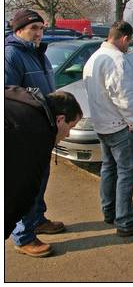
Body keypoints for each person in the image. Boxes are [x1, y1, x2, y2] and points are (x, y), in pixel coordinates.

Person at [5, 9, 66, 255]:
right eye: (34, 29)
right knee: (28, 183)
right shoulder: (12, 54)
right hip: (26, 133)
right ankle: (23, 236)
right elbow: (8, 94)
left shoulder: (38, 53)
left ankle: (37, 220)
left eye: (41, 28)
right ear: (19, 30)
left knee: (41, 180)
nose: (39, 33)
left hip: (44, 128)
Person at [83, 21, 133, 237]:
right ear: (124, 38)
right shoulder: (117, 60)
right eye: (129, 42)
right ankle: (126, 222)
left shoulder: (94, 57)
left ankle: (110, 212)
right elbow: (125, 97)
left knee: (109, 168)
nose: (128, 47)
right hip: (119, 126)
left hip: (102, 124)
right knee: (126, 172)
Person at [5, 86, 82, 256]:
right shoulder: (37, 133)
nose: (68, 134)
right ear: (60, 119)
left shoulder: (28, 100)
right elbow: (20, 191)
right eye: (71, 126)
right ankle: (23, 238)